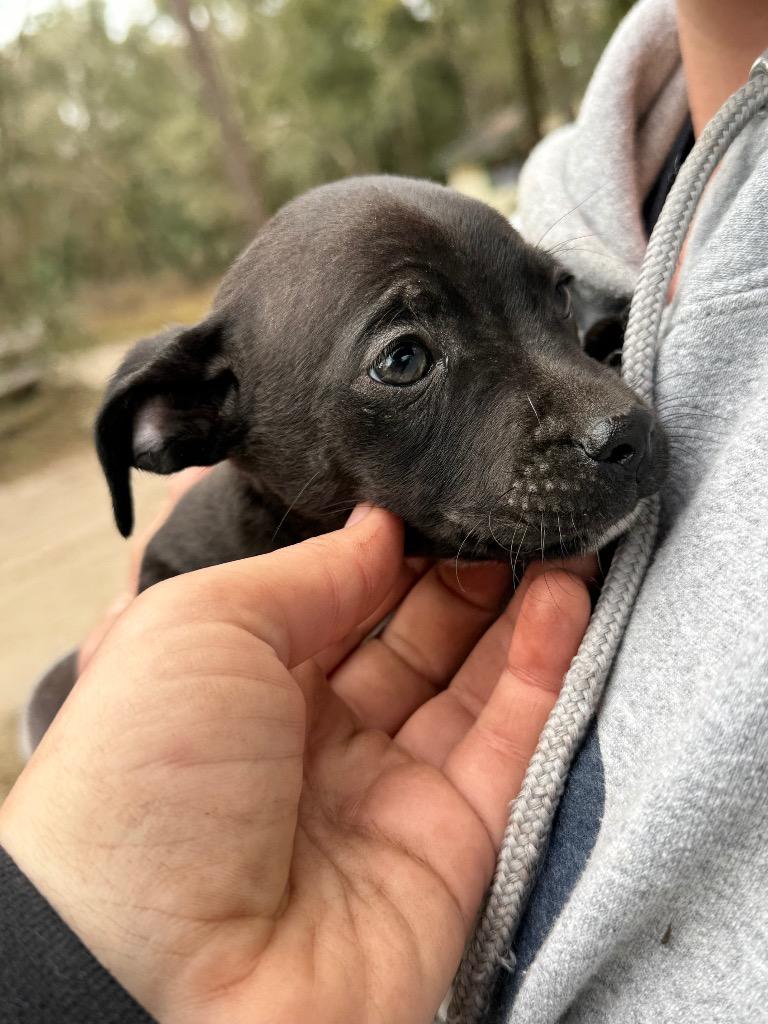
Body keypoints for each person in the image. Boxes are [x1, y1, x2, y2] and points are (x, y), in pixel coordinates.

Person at [2, 0, 768, 1020]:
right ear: (195, 418)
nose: (607, 409)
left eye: (553, 309)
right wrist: (83, 939)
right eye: (404, 360)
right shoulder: (196, 581)